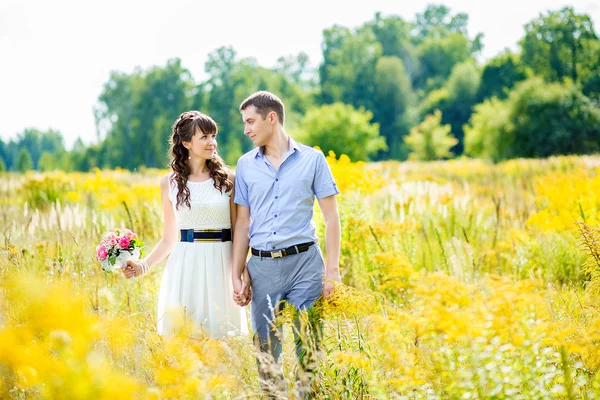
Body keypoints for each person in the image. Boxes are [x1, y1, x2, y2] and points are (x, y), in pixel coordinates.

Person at [231, 91, 341, 395]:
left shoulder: (313, 159)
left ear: (271, 118)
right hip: (262, 267)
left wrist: (332, 272)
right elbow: (242, 223)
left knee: (309, 343)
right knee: (266, 352)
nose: (246, 129)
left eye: (250, 121)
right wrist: (237, 272)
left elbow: (331, 218)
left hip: (306, 263)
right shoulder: (245, 165)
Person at [121, 110, 248, 339]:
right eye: (204, 137)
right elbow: (169, 238)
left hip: (222, 262)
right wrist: (142, 266)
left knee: (222, 341)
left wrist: (240, 272)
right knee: (187, 339)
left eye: (213, 136)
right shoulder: (169, 183)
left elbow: (239, 229)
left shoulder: (228, 179)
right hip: (187, 263)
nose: (212, 142)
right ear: (186, 142)